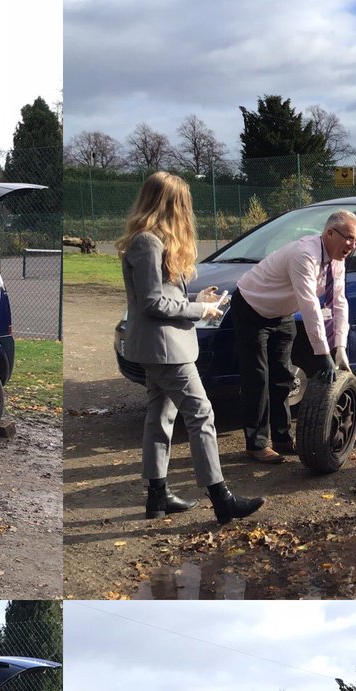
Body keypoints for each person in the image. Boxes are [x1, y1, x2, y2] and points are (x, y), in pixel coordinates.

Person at [118, 172, 263, 525]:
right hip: (165, 349)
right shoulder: (147, 242)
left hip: (163, 347)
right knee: (202, 415)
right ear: (170, 205)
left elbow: (160, 297)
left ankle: (157, 497)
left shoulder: (151, 242)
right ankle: (221, 498)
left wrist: (197, 298)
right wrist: (201, 311)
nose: (188, 211)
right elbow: (152, 302)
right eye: (184, 203)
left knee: (160, 418)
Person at [230, 209, 356, 461]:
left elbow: (339, 302)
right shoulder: (305, 254)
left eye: (355, 241)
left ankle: (281, 439)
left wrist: (340, 347)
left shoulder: (337, 260)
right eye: (348, 238)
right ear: (330, 233)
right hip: (252, 307)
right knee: (257, 377)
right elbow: (309, 303)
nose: (352, 246)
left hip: (281, 312)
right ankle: (256, 444)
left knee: (283, 377)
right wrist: (322, 352)